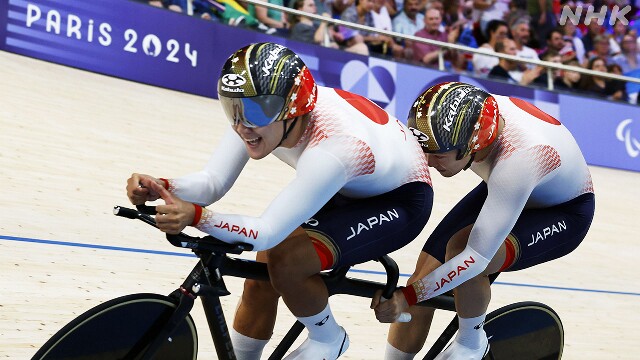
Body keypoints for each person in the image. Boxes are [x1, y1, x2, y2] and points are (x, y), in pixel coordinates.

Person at [126, 42, 434, 360]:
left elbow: (266, 231)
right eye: (232, 108)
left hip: (399, 199)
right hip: (348, 183)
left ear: (293, 109)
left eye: (254, 112)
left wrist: (196, 216)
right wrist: (161, 186)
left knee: (286, 261)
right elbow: (212, 182)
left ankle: (328, 338)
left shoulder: (336, 147)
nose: (241, 126)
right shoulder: (256, 114)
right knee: (258, 282)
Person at [372, 81, 595, 360]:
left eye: (437, 154)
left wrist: (407, 297)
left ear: (471, 146)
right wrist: (412, 293)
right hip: (515, 186)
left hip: (563, 211)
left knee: (461, 255)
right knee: (422, 279)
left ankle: (470, 343)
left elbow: (474, 258)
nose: (427, 161)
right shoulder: (472, 119)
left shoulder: (520, 159)